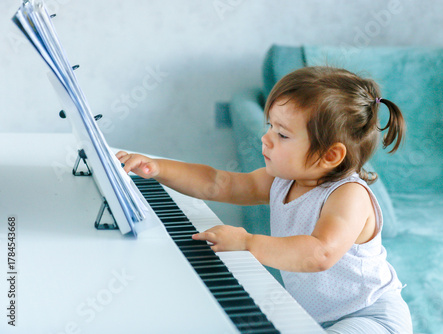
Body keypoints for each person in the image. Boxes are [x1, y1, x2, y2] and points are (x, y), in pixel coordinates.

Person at [117, 66, 413, 333]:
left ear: (330, 155)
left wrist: (247, 243)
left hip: (372, 317)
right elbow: (218, 183)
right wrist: (157, 167)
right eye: (270, 126)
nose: (266, 138)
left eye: (282, 134)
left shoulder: (349, 195)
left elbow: (320, 253)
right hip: (316, 318)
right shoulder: (283, 181)